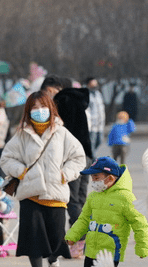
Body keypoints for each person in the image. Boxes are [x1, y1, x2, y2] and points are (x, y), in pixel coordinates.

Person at [0, 91, 86, 267]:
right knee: (33, 236)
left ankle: (53, 259)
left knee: (56, 235)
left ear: (51, 108)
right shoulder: (22, 134)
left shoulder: (62, 133)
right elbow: (6, 158)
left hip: (55, 193)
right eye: (35, 108)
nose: (39, 111)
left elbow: (78, 158)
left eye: (43, 107)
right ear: (28, 111)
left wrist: (66, 173)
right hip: (30, 193)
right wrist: (21, 172)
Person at [64, 157, 148, 267]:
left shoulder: (125, 197)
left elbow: (139, 222)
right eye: (92, 179)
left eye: (96, 178)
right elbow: (83, 219)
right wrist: (73, 235)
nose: (93, 182)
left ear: (110, 178)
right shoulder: (93, 197)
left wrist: (142, 245)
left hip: (111, 250)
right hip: (91, 248)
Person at [53, 85, 94, 244]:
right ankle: (83, 232)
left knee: (72, 198)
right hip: (87, 155)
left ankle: (80, 232)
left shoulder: (64, 102)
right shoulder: (80, 101)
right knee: (81, 198)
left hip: (73, 157)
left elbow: (66, 132)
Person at [86, 77, 106, 152]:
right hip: (92, 125)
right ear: (88, 85)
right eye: (92, 84)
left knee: (99, 141)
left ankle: (91, 156)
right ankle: (92, 159)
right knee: (92, 143)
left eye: (95, 83)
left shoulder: (98, 94)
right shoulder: (86, 95)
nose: (94, 85)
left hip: (100, 124)